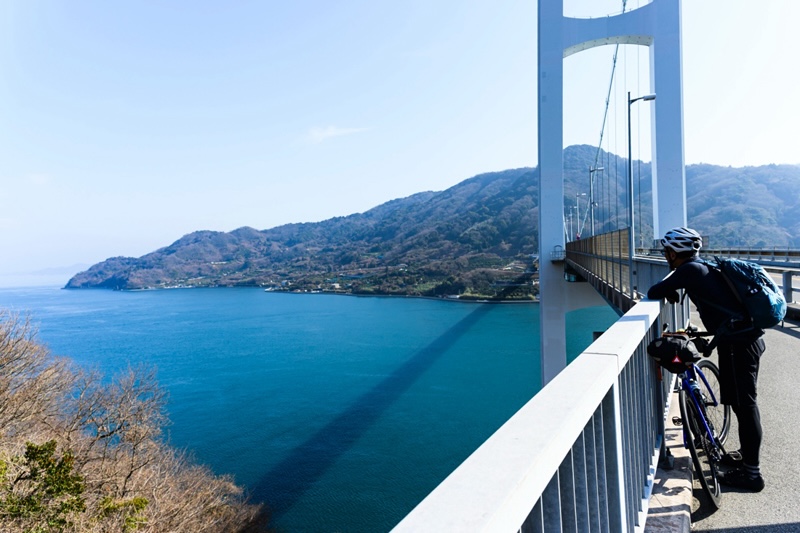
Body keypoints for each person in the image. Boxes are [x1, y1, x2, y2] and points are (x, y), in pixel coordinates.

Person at [647, 227, 766, 492]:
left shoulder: (689, 270)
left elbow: (654, 289)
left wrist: (669, 288)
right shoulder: (702, 267)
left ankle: (752, 475)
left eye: (667, 252)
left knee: (745, 406)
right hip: (741, 340)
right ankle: (747, 460)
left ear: (673, 252)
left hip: (739, 344)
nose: (666, 257)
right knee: (740, 404)